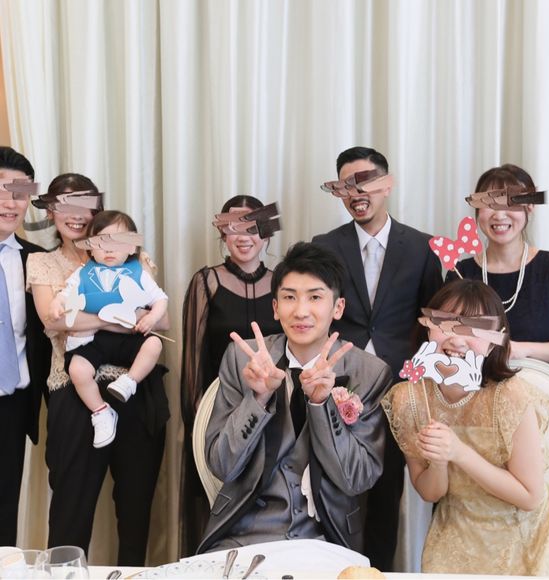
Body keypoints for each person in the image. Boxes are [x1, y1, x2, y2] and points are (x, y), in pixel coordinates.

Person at [196, 242, 392, 553]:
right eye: (289, 297)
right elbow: (223, 465)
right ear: (275, 307)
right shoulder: (243, 358)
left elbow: (355, 479)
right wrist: (258, 399)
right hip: (243, 534)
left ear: (338, 307)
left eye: (315, 297)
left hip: (326, 539)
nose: (301, 311)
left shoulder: (368, 373)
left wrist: (321, 405)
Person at [383, 279, 549, 575]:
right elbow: (430, 493)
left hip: (526, 539)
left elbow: (530, 496)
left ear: (495, 340)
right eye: (445, 323)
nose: (457, 339)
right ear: (427, 327)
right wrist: (439, 462)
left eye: (475, 329)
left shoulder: (509, 396)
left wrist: (459, 453)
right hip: (455, 534)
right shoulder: (409, 399)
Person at [27, 174, 169, 565]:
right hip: (75, 390)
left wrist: (90, 319)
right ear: (51, 212)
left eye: (85, 206)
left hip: (135, 387)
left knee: (136, 504)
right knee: (71, 505)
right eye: (65, 206)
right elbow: (54, 321)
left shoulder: (134, 259)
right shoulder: (43, 263)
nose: (76, 215)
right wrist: (118, 317)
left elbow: (162, 319)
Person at [312, 146, 443, 569]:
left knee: (387, 497)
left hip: (398, 392)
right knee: (335, 494)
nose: (357, 193)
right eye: (346, 186)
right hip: (337, 387)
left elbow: (432, 324)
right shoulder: (324, 247)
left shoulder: (423, 247)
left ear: (387, 185)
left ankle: (379, 573)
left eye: (366, 181)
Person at [180, 194, 282, 554]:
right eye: (233, 228)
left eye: (252, 227)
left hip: (273, 410)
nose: (243, 236)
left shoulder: (283, 284)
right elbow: (192, 362)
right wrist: (198, 425)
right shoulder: (206, 281)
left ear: (266, 233)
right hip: (218, 410)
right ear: (222, 234)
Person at [50, 210, 168, 448]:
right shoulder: (82, 273)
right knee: (77, 369)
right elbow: (65, 294)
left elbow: (161, 300)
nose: (109, 249)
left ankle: (129, 382)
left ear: (132, 247)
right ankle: (101, 411)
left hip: (129, 338)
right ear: (91, 248)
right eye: (102, 242)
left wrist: (152, 318)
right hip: (95, 338)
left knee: (154, 344)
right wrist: (57, 303)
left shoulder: (139, 272)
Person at [448, 164, 549, 366]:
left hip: (540, 383)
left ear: (530, 206)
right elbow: (446, 339)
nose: (499, 215)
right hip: (476, 383)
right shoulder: (459, 273)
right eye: (489, 203)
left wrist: (520, 350)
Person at [0, 146, 51, 546]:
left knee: (5, 512)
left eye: (20, 192)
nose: (11, 202)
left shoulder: (36, 261)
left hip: (13, 404)